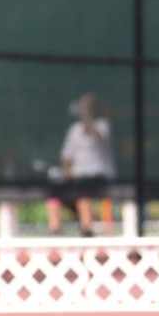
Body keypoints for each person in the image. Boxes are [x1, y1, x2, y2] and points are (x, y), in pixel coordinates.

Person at [50, 92, 116, 237]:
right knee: (54, 193)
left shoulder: (103, 125)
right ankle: (55, 232)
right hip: (76, 179)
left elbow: (98, 136)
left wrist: (87, 117)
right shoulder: (74, 130)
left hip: (99, 177)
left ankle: (87, 231)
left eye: (87, 107)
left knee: (82, 192)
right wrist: (66, 173)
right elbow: (66, 157)